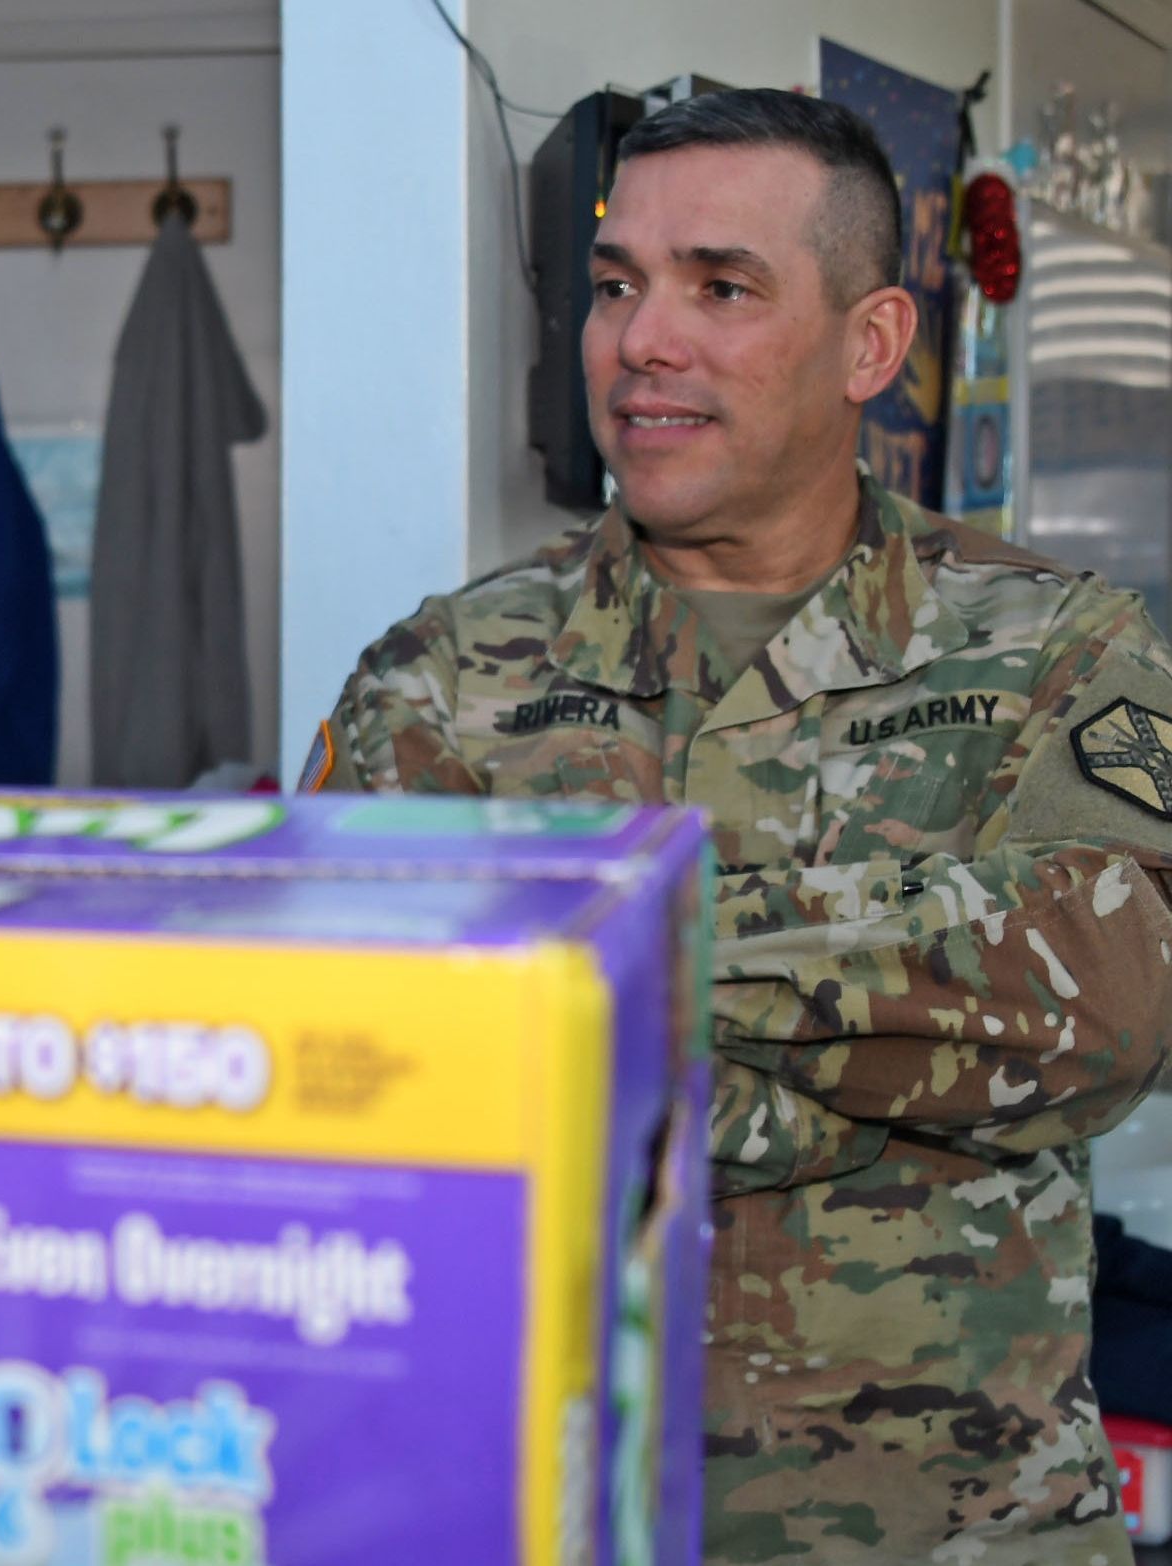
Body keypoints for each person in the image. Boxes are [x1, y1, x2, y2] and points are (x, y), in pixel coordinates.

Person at [308, 89, 1170, 1563]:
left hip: (953, 1530)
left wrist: (606, 953)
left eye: (721, 285)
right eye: (618, 284)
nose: (642, 339)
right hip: (543, 1514)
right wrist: (900, 1082)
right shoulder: (444, 672)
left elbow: (1107, 1012)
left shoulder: (1055, 647)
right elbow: (370, 1057)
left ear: (871, 346)